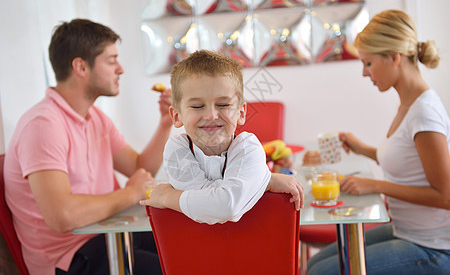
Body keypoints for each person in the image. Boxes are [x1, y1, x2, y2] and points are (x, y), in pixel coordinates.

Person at [4, 19, 172, 275]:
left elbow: (139, 169)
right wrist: (130, 193)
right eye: (111, 60)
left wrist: (165, 124)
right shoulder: (42, 125)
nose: (121, 69)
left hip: (108, 235)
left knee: (188, 243)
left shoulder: (95, 118)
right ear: (81, 66)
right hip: (71, 259)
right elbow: (62, 215)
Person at [307, 9, 450, 274]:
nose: (364, 73)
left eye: (368, 63)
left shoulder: (424, 113)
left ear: (395, 57)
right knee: (314, 264)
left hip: (434, 247)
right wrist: (362, 149)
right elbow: (411, 161)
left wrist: (374, 185)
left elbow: (445, 195)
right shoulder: (409, 104)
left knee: (320, 272)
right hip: (406, 230)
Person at [140, 50, 304, 224]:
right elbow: (214, 206)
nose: (211, 115)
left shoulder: (248, 147)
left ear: (241, 113)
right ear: (176, 116)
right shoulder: (177, 150)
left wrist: (168, 197)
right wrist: (262, 183)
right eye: (197, 106)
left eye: (223, 104)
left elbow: (226, 206)